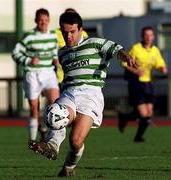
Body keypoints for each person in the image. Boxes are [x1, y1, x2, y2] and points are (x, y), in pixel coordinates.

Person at [32, 11, 138, 177]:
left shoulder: (95, 43)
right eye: (65, 32)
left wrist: (127, 56)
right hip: (70, 92)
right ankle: (51, 145)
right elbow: (67, 78)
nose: (68, 36)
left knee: (76, 141)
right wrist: (60, 97)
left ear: (80, 29)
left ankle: (68, 167)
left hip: (91, 94)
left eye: (72, 31)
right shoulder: (62, 53)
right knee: (56, 113)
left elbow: (117, 50)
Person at [12, 8, 60, 149]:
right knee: (34, 108)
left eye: (45, 20)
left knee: (55, 103)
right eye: (40, 20)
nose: (43, 23)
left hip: (48, 73)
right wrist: (28, 60)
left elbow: (54, 55)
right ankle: (32, 140)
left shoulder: (53, 36)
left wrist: (56, 62)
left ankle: (47, 133)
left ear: (49, 21)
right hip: (32, 74)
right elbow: (15, 53)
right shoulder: (29, 37)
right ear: (36, 21)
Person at [118, 26, 167, 142]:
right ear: (142, 36)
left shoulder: (155, 50)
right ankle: (137, 136)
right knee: (143, 113)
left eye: (151, 35)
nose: (148, 37)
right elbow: (124, 63)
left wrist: (162, 69)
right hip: (136, 83)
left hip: (148, 83)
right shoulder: (136, 48)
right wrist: (136, 70)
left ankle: (125, 119)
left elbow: (159, 64)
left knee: (148, 113)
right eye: (146, 35)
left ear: (154, 37)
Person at [55, 8, 88, 84]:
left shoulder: (83, 33)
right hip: (60, 76)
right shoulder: (55, 33)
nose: (68, 36)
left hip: (78, 75)